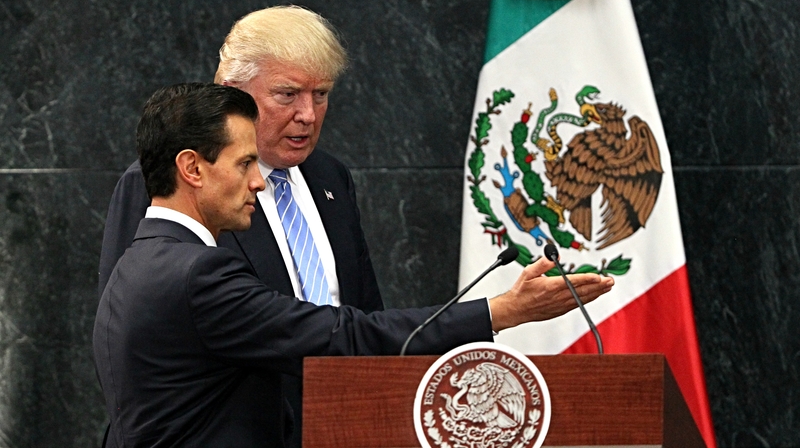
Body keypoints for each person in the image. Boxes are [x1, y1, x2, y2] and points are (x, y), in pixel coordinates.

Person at [93, 82, 614, 448]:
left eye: (322, 95)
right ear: (192, 169)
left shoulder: (138, 263)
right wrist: (502, 310)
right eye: (245, 163)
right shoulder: (198, 275)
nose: (257, 181)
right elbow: (341, 335)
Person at [96, 7, 381, 445]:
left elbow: (364, 314)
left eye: (321, 94)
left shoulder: (331, 178)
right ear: (233, 92)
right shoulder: (161, 184)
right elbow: (133, 338)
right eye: (287, 95)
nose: (308, 113)